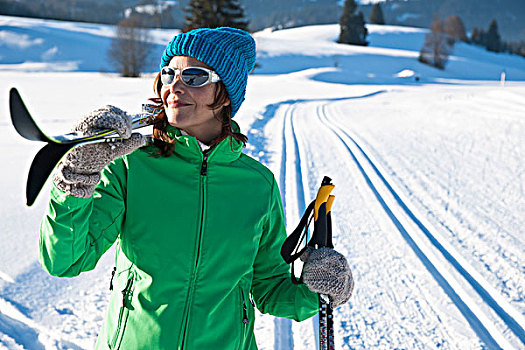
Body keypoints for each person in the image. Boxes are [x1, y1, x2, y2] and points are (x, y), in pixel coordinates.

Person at [39, 27, 353, 349]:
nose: (174, 87)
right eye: (168, 73)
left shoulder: (257, 184)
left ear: (227, 92)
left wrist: (317, 291)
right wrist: (76, 178)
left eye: (194, 76)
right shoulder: (132, 165)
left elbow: (270, 288)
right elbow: (65, 260)